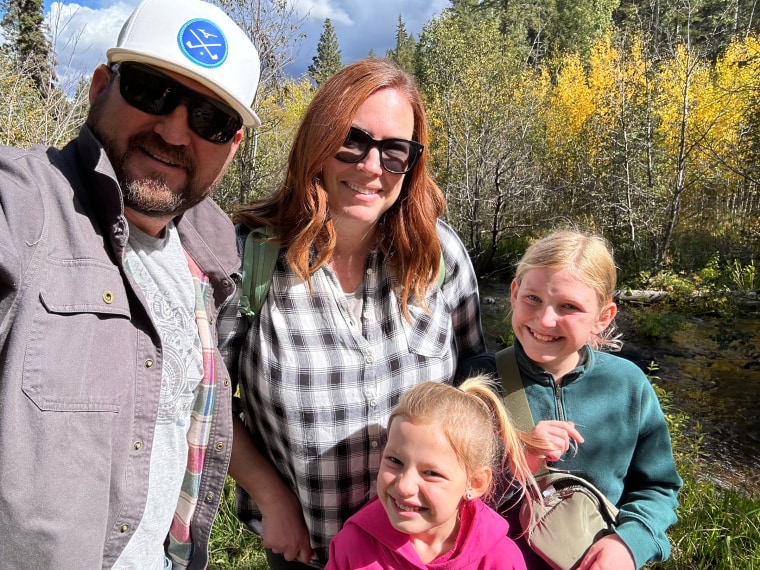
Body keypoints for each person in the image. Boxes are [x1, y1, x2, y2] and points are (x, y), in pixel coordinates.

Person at [0, 0, 261, 567]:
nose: (172, 130)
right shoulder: (22, 205)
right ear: (100, 86)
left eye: (209, 120)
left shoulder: (212, 258)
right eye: (151, 90)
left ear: (232, 145)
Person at [219, 58, 486, 568]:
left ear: (411, 163)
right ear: (318, 142)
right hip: (309, 547)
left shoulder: (440, 254)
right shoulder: (247, 260)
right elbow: (203, 400)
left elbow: (477, 370)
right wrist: (272, 498)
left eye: (394, 151)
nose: (370, 166)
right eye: (353, 140)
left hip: (428, 550)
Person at [498, 230, 683, 570]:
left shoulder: (628, 384)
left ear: (603, 317)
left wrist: (630, 543)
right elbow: (450, 491)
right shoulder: (480, 382)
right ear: (514, 293)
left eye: (569, 306)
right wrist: (515, 463)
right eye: (533, 299)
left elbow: (657, 486)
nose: (545, 320)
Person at [325, 377, 549, 570]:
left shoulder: (499, 560)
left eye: (431, 473)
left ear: (476, 483)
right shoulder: (352, 547)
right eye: (395, 461)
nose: (404, 486)